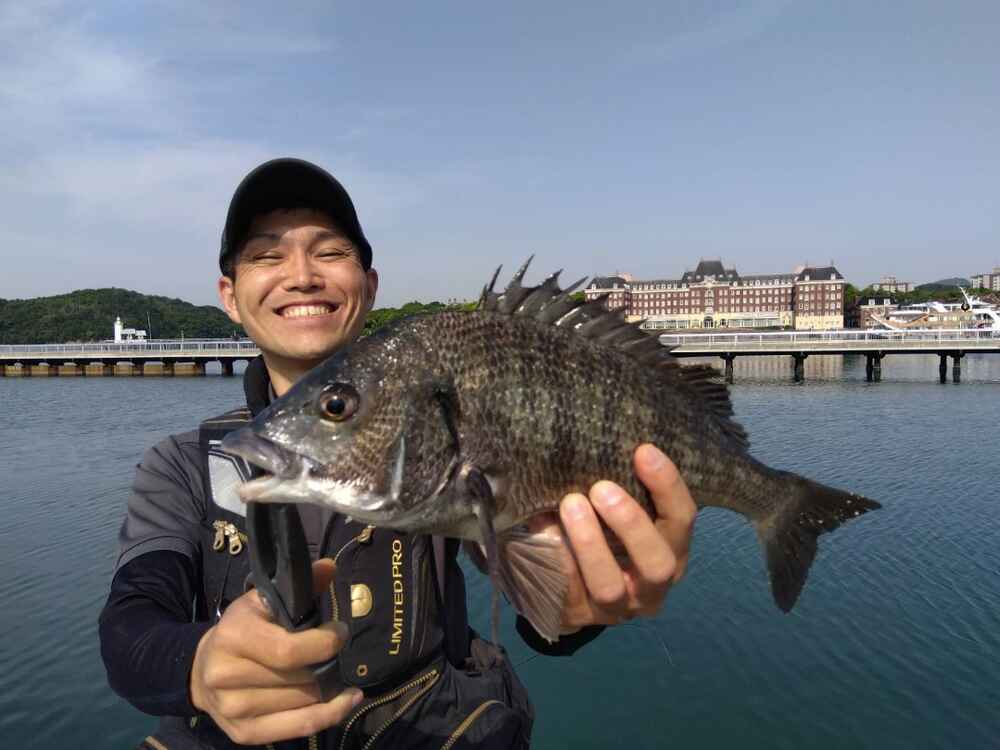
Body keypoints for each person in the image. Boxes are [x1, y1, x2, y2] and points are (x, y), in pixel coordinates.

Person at [99, 158, 698, 749]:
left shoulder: (435, 429)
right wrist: (198, 664)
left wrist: (580, 611)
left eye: (330, 251)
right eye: (266, 255)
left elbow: (541, 592)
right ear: (229, 296)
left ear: (370, 285)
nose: (302, 275)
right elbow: (130, 629)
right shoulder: (178, 466)